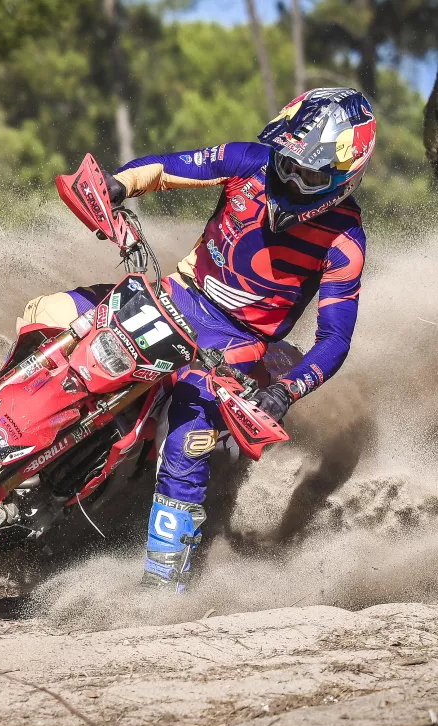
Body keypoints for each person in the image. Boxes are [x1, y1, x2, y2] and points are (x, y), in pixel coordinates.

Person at [22, 87, 376, 591]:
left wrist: (285, 391)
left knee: (186, 436)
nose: (294, 179)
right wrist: (117, 187)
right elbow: (163, 169)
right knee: (47, 314)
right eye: (288, 162)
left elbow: (335, 338)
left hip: (236, 347)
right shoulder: (249, 160)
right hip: (171, 296)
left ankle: (164, 584)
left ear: (345, 178)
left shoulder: (345, 239)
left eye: (312, 175)